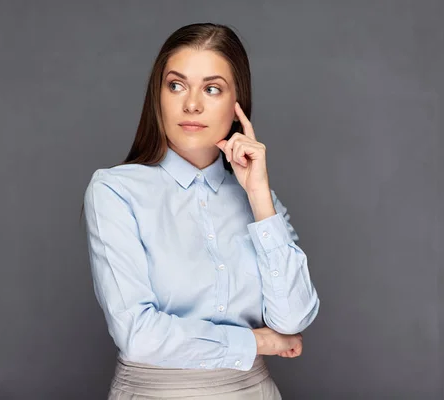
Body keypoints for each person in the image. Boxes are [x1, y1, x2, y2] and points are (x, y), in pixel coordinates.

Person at [82, 22, 320, 399]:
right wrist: (257, 342)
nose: (192, 104)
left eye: (212, 89)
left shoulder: (261, 203)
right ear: (157, 96)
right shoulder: (116, 191)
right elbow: (138, 336)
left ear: (237, 103)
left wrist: (259, 195)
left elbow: (293, 318)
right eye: (176, 85)